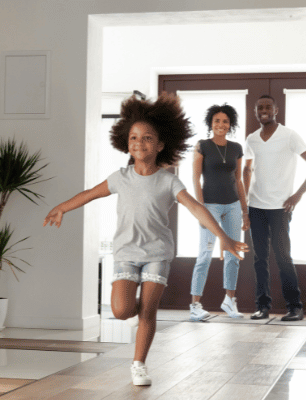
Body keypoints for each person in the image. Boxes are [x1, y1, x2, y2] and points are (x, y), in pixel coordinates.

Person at [43, 93, 248, 387]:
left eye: (147, 138)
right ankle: (138, 314)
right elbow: (88, 194)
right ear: (127, 143)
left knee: (148, 311)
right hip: (126, 252)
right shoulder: (120, 177)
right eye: (134, 138)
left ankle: (139, 364)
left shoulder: (168, 180)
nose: (139, 143)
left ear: (161, 145)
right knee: (122, 310)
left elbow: (196, 208)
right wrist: (62, 206)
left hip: (157, 253)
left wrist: (224, 238)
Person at [243, 95, 306, 322]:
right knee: (259, 259)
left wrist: (298, 195)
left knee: (283, 257)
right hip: (255, 206)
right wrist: (244, 202)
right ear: (256, 112)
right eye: (260, 108)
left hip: (280, 208)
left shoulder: (289, 136)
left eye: (268, 107)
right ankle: (262, 307)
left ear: (276, 110)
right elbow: (247, 170)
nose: (264, 110)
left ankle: (295, 307)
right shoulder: (252, 139)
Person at [189, 104, 250, 321]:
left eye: (225, 121)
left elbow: (239, 180)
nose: (221, 125)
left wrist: (244, 211)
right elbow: (196, 178)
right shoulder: (202, 146)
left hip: (233, 205)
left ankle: (229, 300)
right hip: (210, 207)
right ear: (210, 124)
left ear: (230, 124)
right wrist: (200, 208)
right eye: (217, 121)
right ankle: (195, 305)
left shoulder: (236, 148)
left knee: (233, 253)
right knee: (205, 254)